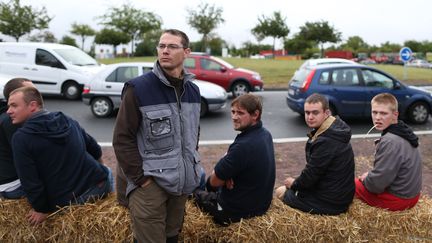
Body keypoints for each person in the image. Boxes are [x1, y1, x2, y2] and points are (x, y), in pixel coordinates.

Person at [112, 29, 202, 243]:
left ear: (186, 52)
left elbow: (193, 134)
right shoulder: (138, 89)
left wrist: (190, 167)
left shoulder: (193, 91)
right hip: (150, 185)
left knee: (172, 237)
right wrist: (142, 180)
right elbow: (122, 139)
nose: (165, 51)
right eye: (161, 46)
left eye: (172, 46)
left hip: (181, 184)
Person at [7, 86, 113, 224]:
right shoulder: (65, 118)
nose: (9, 111)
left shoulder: (21, 138)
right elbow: (94, 148)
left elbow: (30, 182)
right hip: (100, 184)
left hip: (72, 200)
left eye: (14, 106)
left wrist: (41, 209)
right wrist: (101, 165)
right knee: (108, 171)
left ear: (32, 105)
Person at [194, 94, 276, 226]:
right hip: (260, 205)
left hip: (235, 212)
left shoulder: (243, 146)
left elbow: (213, 183)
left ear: (255, 115)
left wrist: (222, 176)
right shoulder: (265, 134)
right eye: (233, 112)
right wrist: (227, 175)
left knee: (195, 184)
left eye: (240, 113)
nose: (234, 117)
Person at [275, 93, 355, 215]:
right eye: (307, 113)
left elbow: (310, 176)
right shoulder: (334, 129)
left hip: (331, 202)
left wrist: (294, 184)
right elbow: (315, 171)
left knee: (280, 191)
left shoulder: (326, 140)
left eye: (315, 113)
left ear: (326, 113)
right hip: (338, 195)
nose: (310, 117)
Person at [355, 93, 422, 211]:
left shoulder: (390, 141)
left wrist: (367, 179)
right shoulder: (403, 130)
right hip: (413, 196)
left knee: (349, 185)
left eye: (383, 113)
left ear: (395, 114)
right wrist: (371, 175)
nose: (377, 117)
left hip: (400, 200)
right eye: (374, 112)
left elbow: (376, 186)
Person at [0, 78, 35, 199]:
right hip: (11, 185)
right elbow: (30, 158)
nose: (36, 94)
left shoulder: (4, 114)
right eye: (30, 91)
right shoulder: (11, 120)